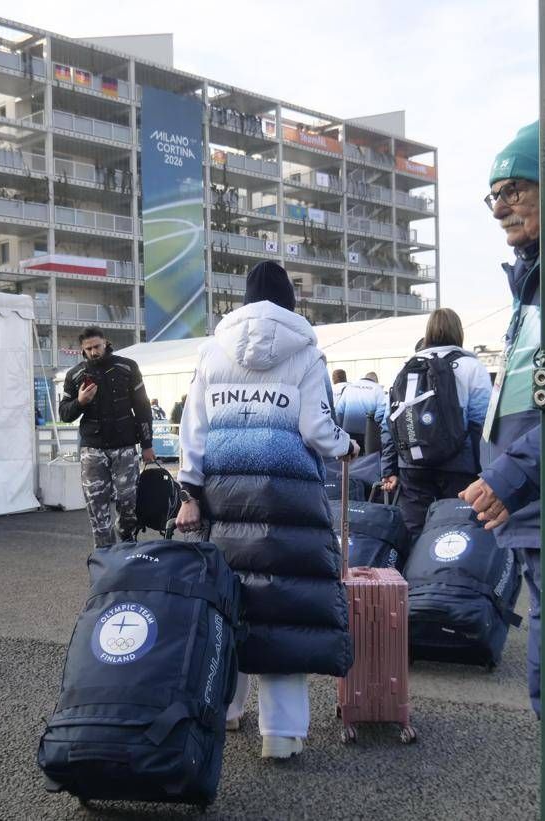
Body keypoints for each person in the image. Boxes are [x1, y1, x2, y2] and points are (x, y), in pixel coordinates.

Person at [175, 260, 358, 760]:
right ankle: (280, 736)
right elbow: (318, 430)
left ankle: (226, 713)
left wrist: (189, 490)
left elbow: (194, 429)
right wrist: (346, 446)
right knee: (285, 608)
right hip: (289, 500)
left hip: (224, 496)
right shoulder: (306, 353)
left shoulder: (212, 353)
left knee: (229, 603)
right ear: (289, 301)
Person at [457, 121, 545, 720]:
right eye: (495, 194)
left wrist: (511, 474)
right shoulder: (543, 278)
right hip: (542, 505)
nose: (500, 209)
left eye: (514, 188)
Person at [380, 308, 491, 540]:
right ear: (459, 332)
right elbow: (482, 421)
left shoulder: (408, 365)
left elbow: (389, 421)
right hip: (459, 465)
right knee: (457, 530)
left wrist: (389, 469)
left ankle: (413, 574)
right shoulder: (472, 367)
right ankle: (449, 573)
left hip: (413, 462)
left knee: (414, 532)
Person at [59, 326, 155, 546]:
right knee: (96, 506)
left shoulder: (128, 367)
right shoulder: (74, 375)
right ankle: (105, 557)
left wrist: (148, 444)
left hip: (124, 446)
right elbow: (64, 413)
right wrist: (80, 401)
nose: (94, 352)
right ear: (83, 350)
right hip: (92, 450)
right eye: (89, 348)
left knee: (129, 502)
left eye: (97, 347)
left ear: (106, 343)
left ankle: (128, 542)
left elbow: (142, 407)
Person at [333, 370, 385, 451]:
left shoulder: (350, 387)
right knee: (366, 460)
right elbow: (381, 413)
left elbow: (339, 411)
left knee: (350, 460)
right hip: (368, 434)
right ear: (376, 381)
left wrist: (339, 430)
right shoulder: (378, 389)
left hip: (348, 432)